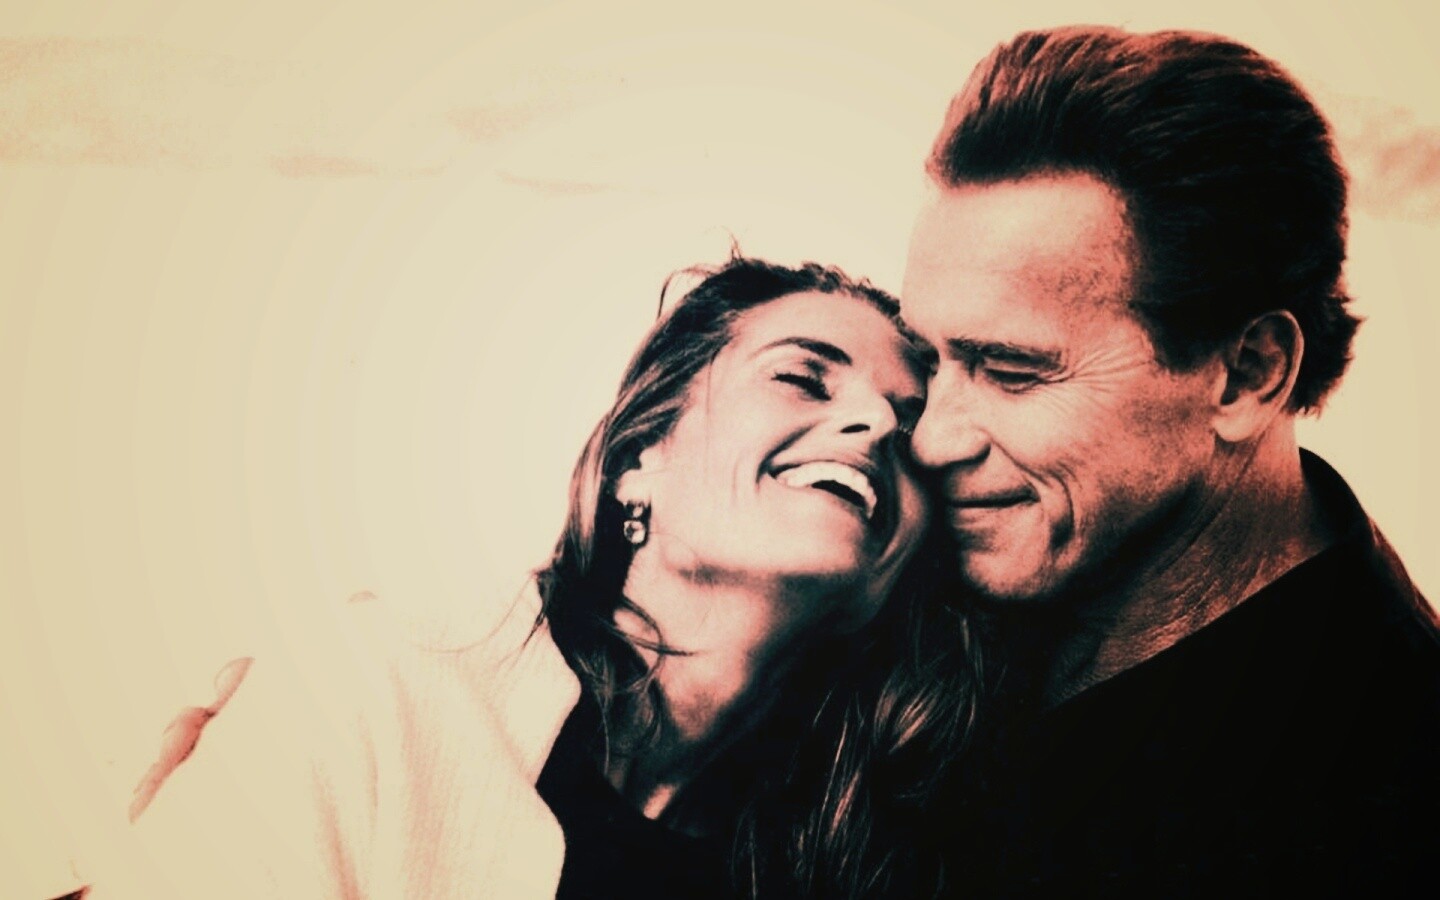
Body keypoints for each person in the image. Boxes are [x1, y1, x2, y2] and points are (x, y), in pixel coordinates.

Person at [73, 256, 978, 900]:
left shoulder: (876, 854)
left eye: (909, 422)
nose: (876, 423)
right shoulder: (375, 688)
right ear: (641, 459)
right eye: (804, 379)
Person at [901, 25, 1440, 896]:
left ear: (1248, 374)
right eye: (927, 360)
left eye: (1012, 371)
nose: (932, 440)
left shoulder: (1385, 806)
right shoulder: (943, 577)